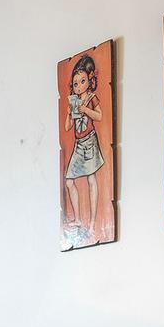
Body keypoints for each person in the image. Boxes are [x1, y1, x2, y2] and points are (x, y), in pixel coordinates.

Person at [63, 52, 108, 247]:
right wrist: (69, 114)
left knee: (91, 179)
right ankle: (79, 219)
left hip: (89, 142)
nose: (79, 86)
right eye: (75, 84)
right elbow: (67, 128)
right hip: (79, 144)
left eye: (82, 81)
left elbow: (99, 116)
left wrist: (86, 110)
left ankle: (91, 223)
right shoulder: (74, 102)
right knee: (69, 181)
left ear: (90, 81)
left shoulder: (91, 98)